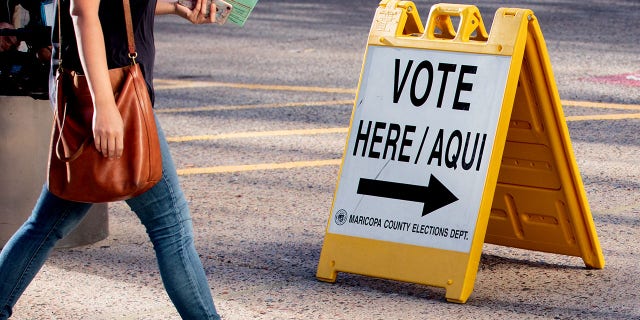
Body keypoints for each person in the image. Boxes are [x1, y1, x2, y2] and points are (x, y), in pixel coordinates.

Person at [0, 0, 225, 318]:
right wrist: (104, 107)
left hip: (109, 94)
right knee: (170, 228)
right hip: (114, 97)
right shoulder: (108, 103)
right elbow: (83, 12)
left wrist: (177, 6)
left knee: (45, 226)